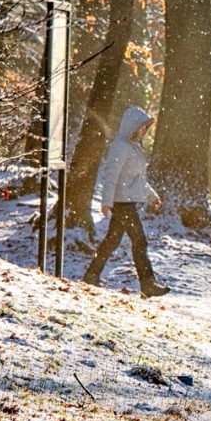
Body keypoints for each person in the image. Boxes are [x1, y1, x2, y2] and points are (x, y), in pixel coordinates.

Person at [82, 106, 170, 298]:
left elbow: (138, 179)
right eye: (142, 127)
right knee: (140, 241)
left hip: (129, 201)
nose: (144, 132)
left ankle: (91, 275)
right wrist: (107, 202)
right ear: (132, 126)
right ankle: (148, 284)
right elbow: (111, 176)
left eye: (146, 128)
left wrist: (151, 196)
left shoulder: (134, 148)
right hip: (123, 203)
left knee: (111, 241)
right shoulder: (120, 146)